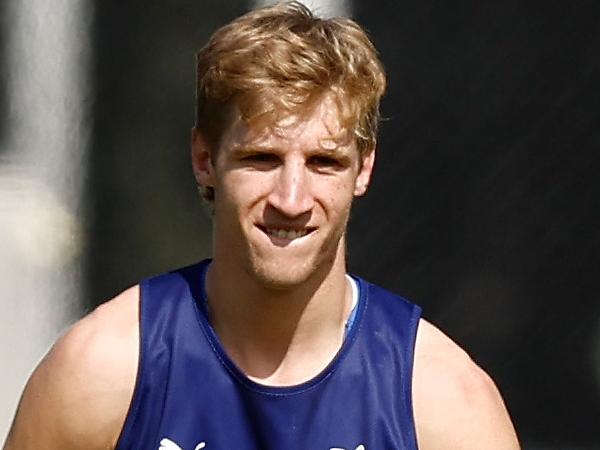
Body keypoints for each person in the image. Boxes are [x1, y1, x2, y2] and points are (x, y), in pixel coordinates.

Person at [3, 2, 520, 449]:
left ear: (363, 169)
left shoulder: (441, 403)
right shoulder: (104, 372)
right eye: (262, 158)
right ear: (204, 158)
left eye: (324, 163)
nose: (291, 200)